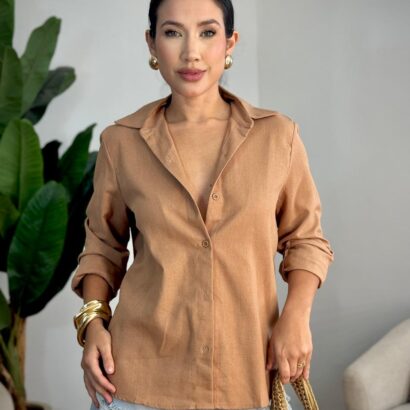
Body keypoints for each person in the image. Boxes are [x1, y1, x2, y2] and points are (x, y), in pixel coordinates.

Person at [71, 0, 335, 409]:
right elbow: (103, 248)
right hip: (135, 381)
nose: (191, 51)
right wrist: (92, 327)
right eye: (173, 33)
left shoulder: (277, 137)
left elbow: (306, 240)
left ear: (230, 43)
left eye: (208, 32)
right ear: (152, 44)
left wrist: (296, 317)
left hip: (244, 376)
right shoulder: (121, 142)